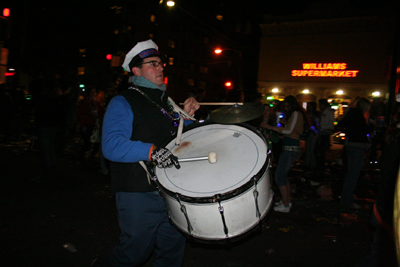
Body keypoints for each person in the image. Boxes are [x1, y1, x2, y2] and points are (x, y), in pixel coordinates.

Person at [92, 39, 199, 267]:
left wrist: (186, 118)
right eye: (153, 63)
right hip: (138, 191)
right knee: (134, 254)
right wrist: (151, 151)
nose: (160, 67)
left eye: (161, 63)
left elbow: (175, 137)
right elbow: (111, 144)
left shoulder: (166, 101)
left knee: (172, 252)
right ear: (136, 70)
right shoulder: (123, 101)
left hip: (172, 190)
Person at [355, 101, 400, 267]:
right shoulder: (395, 141)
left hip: (385, 207)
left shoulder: (392, 137)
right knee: (379, 254)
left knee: (378, 253)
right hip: (389, 210)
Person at [261, 95, 308, 213]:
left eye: (287, 106)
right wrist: (286, 123)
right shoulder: (296, 114)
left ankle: (286, 205)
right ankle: (286, 201)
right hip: (290, 148)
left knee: (279, 177)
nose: (286, 109)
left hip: (290, 149)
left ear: (291, 104)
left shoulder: (296, 113)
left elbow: (289, 131)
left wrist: (270, 127)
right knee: (283, 176)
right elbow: (293, 130)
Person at [338, 97, 373, 209]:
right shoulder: (359, 116)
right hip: (358, 146)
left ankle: (346, 197)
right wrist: (371, 125)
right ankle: (347, 201)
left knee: (350, 174)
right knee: (353, 175)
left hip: (350, 145)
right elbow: (364, 131)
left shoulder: (352, 113)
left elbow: (342, 123)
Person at [315, 98, 334, 177]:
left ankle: (321, 167)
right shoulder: (322, 113)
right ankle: (320, 165)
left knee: (322, 151)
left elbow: (331, 125)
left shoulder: (329, 112)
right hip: (320, 133)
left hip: (324, 133)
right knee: (318, 150)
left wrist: (321, 126)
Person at [304, 102, 320, 173]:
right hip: (309, 132)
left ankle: (312, 164)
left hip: (314, 133)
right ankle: (307, 163)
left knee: (312, 149)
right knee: (308, 149)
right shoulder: (307, 113)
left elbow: (318, 123)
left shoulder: (316, 114)